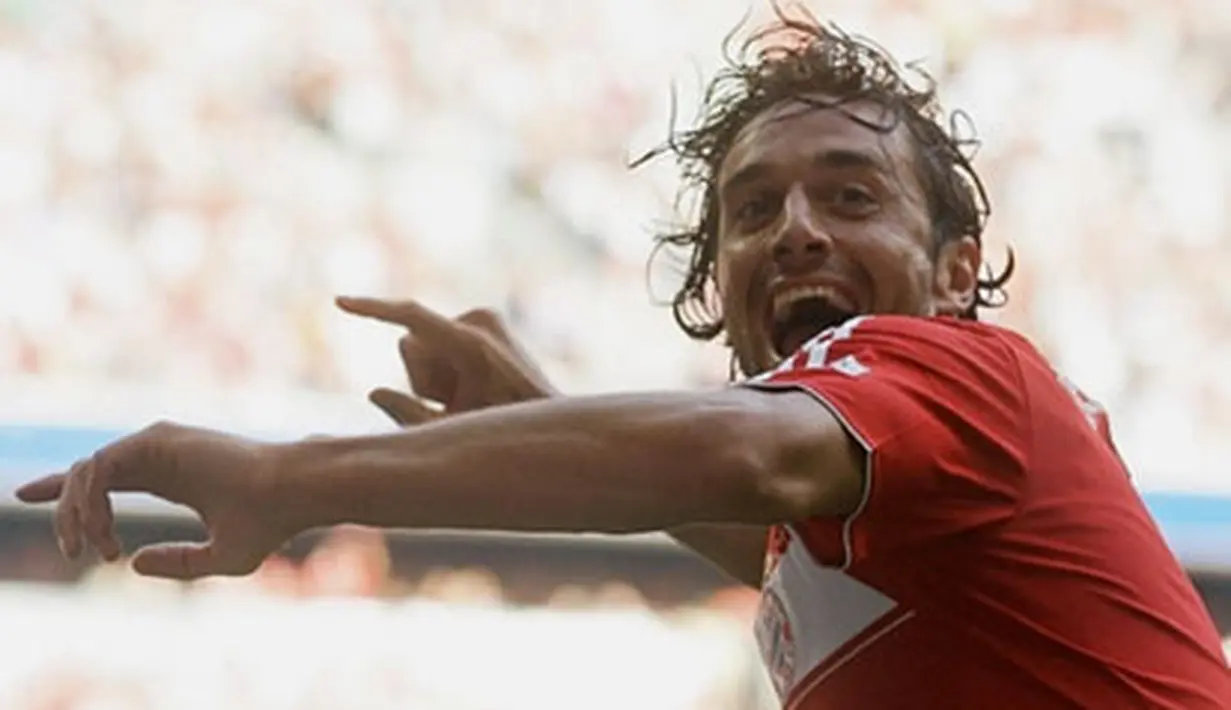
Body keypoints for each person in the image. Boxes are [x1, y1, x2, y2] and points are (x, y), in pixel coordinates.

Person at [15, 12, 1230, 709]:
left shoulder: (959, 372)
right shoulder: (898, 503)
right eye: (751, 212)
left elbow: (743, 454)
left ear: (957, 270)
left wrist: (292, 478)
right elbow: (760, 542)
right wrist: (535, 409)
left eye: (850, 194)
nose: (795, 227)